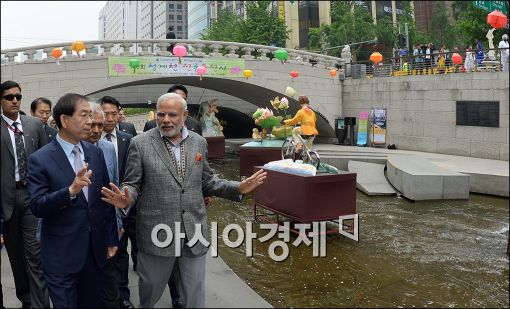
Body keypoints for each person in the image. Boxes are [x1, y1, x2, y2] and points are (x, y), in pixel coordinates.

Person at [101, 92, 267, 308]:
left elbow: (207, 181)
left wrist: (237, 187)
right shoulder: (140, 143)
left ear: (185, 115)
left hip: (194, 230)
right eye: (161, 114)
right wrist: (127, 198)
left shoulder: (198, 143)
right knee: (150, 288)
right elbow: (132, 183)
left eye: (172, 114)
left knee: (194, 292)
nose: (166, 120)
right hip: (156, 231)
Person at [27, 93, 119, 308]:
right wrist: (70, 191)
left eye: (91, 115)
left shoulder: (94, 153)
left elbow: (104, 199)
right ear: (65, 120)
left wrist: (111, 238)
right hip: (61, 255)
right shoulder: (40, 159)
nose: (90, 121)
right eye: (84, 115)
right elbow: (38, 206)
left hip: (94, 253)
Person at [1, 80, 50, 308]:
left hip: (32, 197)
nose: (14, 101)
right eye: (9, 97)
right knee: (16, 257)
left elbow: (45, 162)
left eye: (18, 97)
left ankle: (40, 303)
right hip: (6, 202)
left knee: (35, 255)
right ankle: (26, 300)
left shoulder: (34, 126)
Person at [99, 95, 135, 309]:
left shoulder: (127, 139)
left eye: (114, 113)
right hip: (105, 205)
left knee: (123, 253)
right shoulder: (92, 140)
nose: (110, 118)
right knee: (109, 252)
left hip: (127, 203)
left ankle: (124, 296)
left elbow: (133, 171)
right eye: (106, 113)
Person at [87, 102, 124, 308]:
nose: (96, 130)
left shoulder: (108, 148)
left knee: (110, 287)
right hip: (80, 230)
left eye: (100, 126)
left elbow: (114, 187)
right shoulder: (71, 151)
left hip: (106, 227)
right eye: (92, 125)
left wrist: (118, 223)